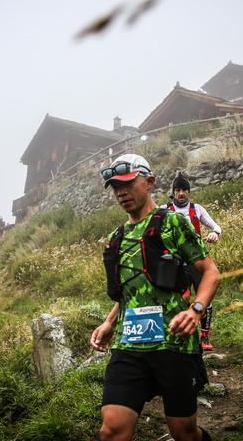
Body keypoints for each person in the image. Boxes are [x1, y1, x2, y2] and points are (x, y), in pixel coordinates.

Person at [90, 154, 220, 441]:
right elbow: (130, 287)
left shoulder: (173, 223)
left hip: (174, 342)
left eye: (127, 184)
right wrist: (110, 322)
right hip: (129, 343)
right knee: (111, 429)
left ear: (149, 182)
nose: (121, 192)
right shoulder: (117, 236)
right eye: (115, 187)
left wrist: (196, 310)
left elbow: (210, 272)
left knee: (183, 433)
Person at [161, 173, 222, 351]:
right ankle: (180, 333)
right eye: (178, 190)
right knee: (181, 297)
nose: (181, 193)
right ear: (173, 192)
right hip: (175, 264)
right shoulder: (164, 210)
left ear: (188, 192)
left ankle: (204, 337)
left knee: (205, 298)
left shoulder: (197, 209)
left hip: (197, 262)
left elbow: (215, 226)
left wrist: (214, 234)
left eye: (184, 190)